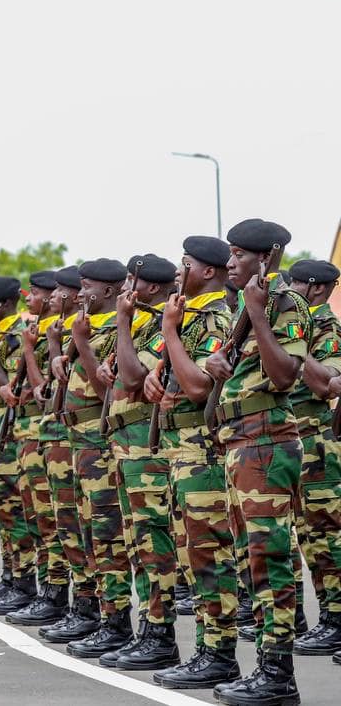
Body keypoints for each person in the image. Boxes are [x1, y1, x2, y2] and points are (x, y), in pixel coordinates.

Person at [205, 219, 308, 705]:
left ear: (265, 258)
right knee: (251, 562)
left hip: (268, 442)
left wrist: (260, 316)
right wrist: (216, 364)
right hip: (239, 442)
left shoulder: (286, 305)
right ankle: (266, 667)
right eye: (228, 254)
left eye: (239, 255)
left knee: (271, 561)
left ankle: (278, 674)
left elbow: (286, 374)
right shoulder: (242, 310)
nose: (229, 262)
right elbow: (237, 371)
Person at [145, 235, 240, 689]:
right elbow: (173, 380)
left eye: (185, 264)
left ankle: (220, 653)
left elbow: (200, 386)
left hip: (202, 452)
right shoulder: (191, 318)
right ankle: (207, 649)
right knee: (191, 555)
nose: (178, 273)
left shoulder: (215, 318)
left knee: (209, 556)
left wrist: (167, 332)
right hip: (181, 450)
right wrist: (154, 378)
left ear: (206, 271)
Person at [98, 253, 181, 671]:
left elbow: (131, 377)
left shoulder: (159, 326)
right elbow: (112, 375)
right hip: (126, 442)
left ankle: (160, 633)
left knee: (153, 541)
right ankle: (147, 629)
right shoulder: (145, 324)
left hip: (145, 446)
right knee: (136, 542)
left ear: (149, 287)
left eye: (133, 279)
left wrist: (124, 325)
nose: (127, 285)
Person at [58, 259, 134, 659]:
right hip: (79, 440)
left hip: (100, 440)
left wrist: (82, 344)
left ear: (107, 291)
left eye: (86, 286)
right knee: (84, 529)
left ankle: (116, 620)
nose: (79, 291)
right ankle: (95, 612)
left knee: (107, 534)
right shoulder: (88, 325)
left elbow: (103, 385)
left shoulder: (113, 329)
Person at [37, 266, 102, 643]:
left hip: (91, 440)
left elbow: (103, 385)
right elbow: (51, 389)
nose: (59, 298)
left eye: (72, 290)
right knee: (64, 525)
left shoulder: (97, 332)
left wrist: (70, 343)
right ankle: (78, 603)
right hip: (68, 437)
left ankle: (96, 611)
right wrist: (53, 348)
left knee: (95, 535)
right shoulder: (71, 332)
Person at [284, 259, 341, 656]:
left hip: (319, 441)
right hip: (293, 441)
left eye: (296, 287)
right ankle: (327, 616)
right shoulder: (296, 326)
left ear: (317, 289)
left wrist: (295, 349)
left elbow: (327, 385)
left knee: (327, 535)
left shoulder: (326, 328)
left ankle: (337, 619)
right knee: (308, 537)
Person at [7, 272, 68, 625]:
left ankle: (60, 596)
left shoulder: (58, 335)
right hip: (40, 435)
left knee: (61, 525)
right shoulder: (45, 333)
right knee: (38, 519)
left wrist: (31, 349)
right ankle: (48, 591)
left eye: (42, 293)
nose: (30, 298)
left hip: (57, 435)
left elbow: (41, 389)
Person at [0, 277, 39, 614]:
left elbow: (7, 387)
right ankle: (10, 575)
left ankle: (24, 581)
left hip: (9, 433)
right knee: (1, 508)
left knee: (14, 510)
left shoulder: (16, 335)